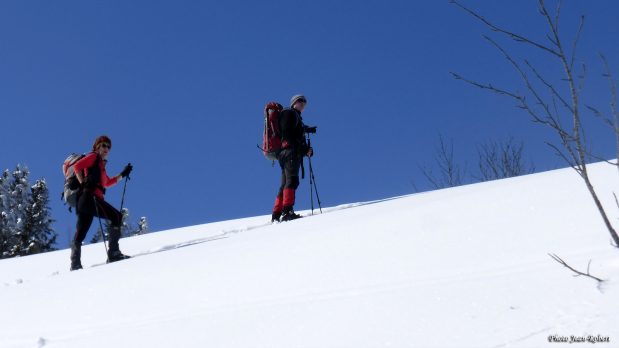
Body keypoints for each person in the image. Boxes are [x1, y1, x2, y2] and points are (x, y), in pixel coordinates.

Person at [69, 135, 133, 270]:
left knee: (80, 232)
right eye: (103, 145)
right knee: (116, 217)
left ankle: (75, 264)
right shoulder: (94, 157)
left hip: (84, 202)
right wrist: (83, 183)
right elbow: (77, 166)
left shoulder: (100, 166)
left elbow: (107, 183)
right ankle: (114, 253)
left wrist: (122, 174)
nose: (106, 149)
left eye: (108, 147)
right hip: (89, 198)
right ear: (97, 146)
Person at [271, 94, 315, 222]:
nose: (303, 103)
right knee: (292, 181)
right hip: (290, 153)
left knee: (285, 184)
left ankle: (276, 214)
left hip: (285, 153)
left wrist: (306, 130)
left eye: (305, 102)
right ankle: (287, 211)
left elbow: (292, 132)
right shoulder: (289, 113)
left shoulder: (293, 116)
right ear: (294, 103)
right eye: (300, 101)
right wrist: (304, 149)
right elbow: (288, 134)